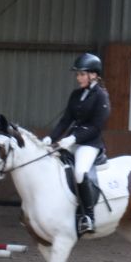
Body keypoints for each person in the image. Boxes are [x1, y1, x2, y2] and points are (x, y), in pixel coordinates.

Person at [44, 52, 110, 235]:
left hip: (90, 144)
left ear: (93, 75)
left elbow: (97, 126)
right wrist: (50, 138)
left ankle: (88, 217)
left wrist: (73, 138)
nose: (78, 78)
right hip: (71, 141)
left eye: (82, 74)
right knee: (52, 163)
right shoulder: (76, 94)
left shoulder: (101, 96)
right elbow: (66, 120)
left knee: (80, 172)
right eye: (78, 74)